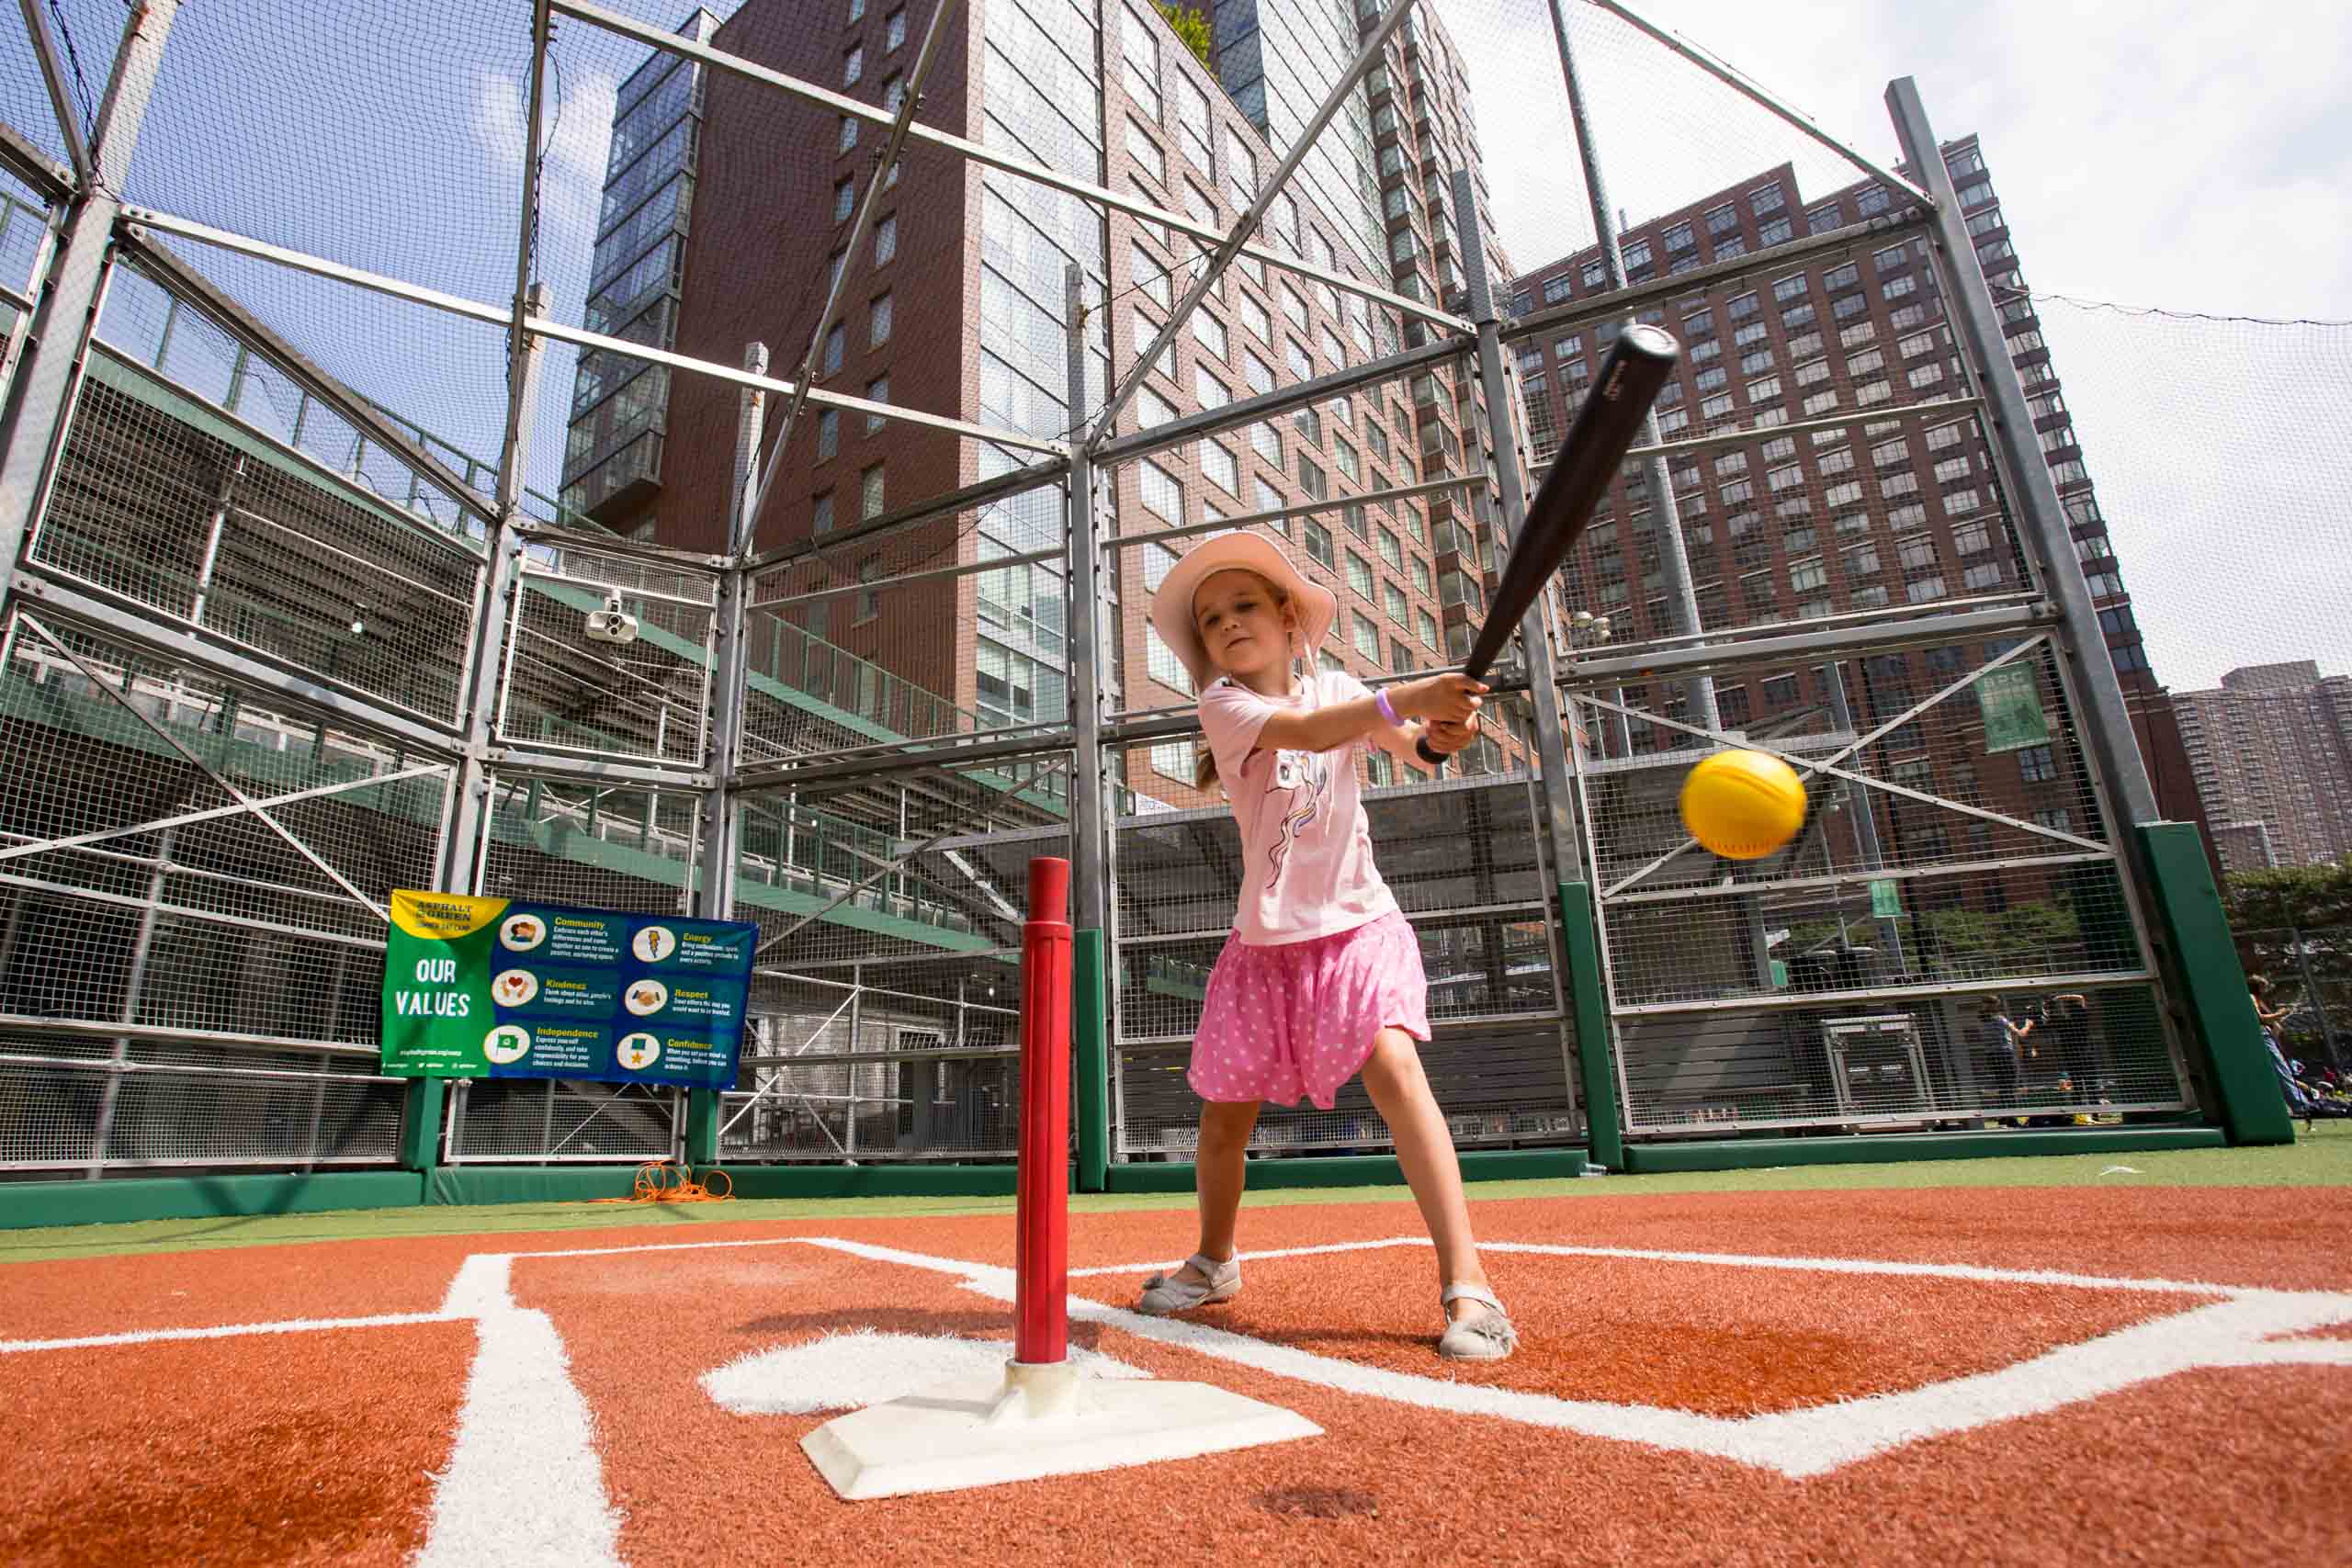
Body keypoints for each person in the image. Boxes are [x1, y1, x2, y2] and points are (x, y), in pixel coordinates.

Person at [1132, 532, 1516, 1361]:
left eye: (1244, 606)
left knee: (1396, 1070)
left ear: (1287, 617)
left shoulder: (1341, 685)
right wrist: (1414, 694)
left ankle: (1469, 1283)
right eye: (1211, 618)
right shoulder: (1227, 708)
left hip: (1357, 928)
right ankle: (1215, 1260)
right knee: (1222, 1125)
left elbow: (1417, 748)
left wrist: (1445, 729)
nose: (1228, 623)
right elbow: (1310, 731)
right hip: (1263, 949)